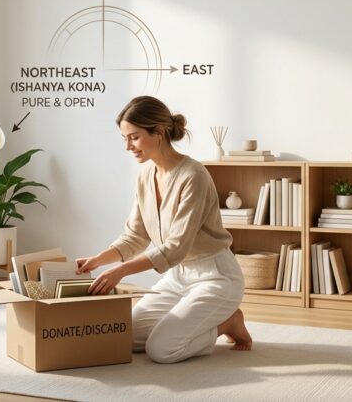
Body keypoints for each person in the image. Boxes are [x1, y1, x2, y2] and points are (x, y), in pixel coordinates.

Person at [75, 96, 252, 364]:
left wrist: (121, 271)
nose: (127, 146)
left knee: (161, 350)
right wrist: (98, 260)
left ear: (158, 132)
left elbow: (176, 247)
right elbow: (135, 236)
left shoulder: (194, 176)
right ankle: (202, 322)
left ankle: (227, 324)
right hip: (176, 278)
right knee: (127, 336)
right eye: (125, 138)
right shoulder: (146, 176)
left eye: (133, 137)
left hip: (215, 278)